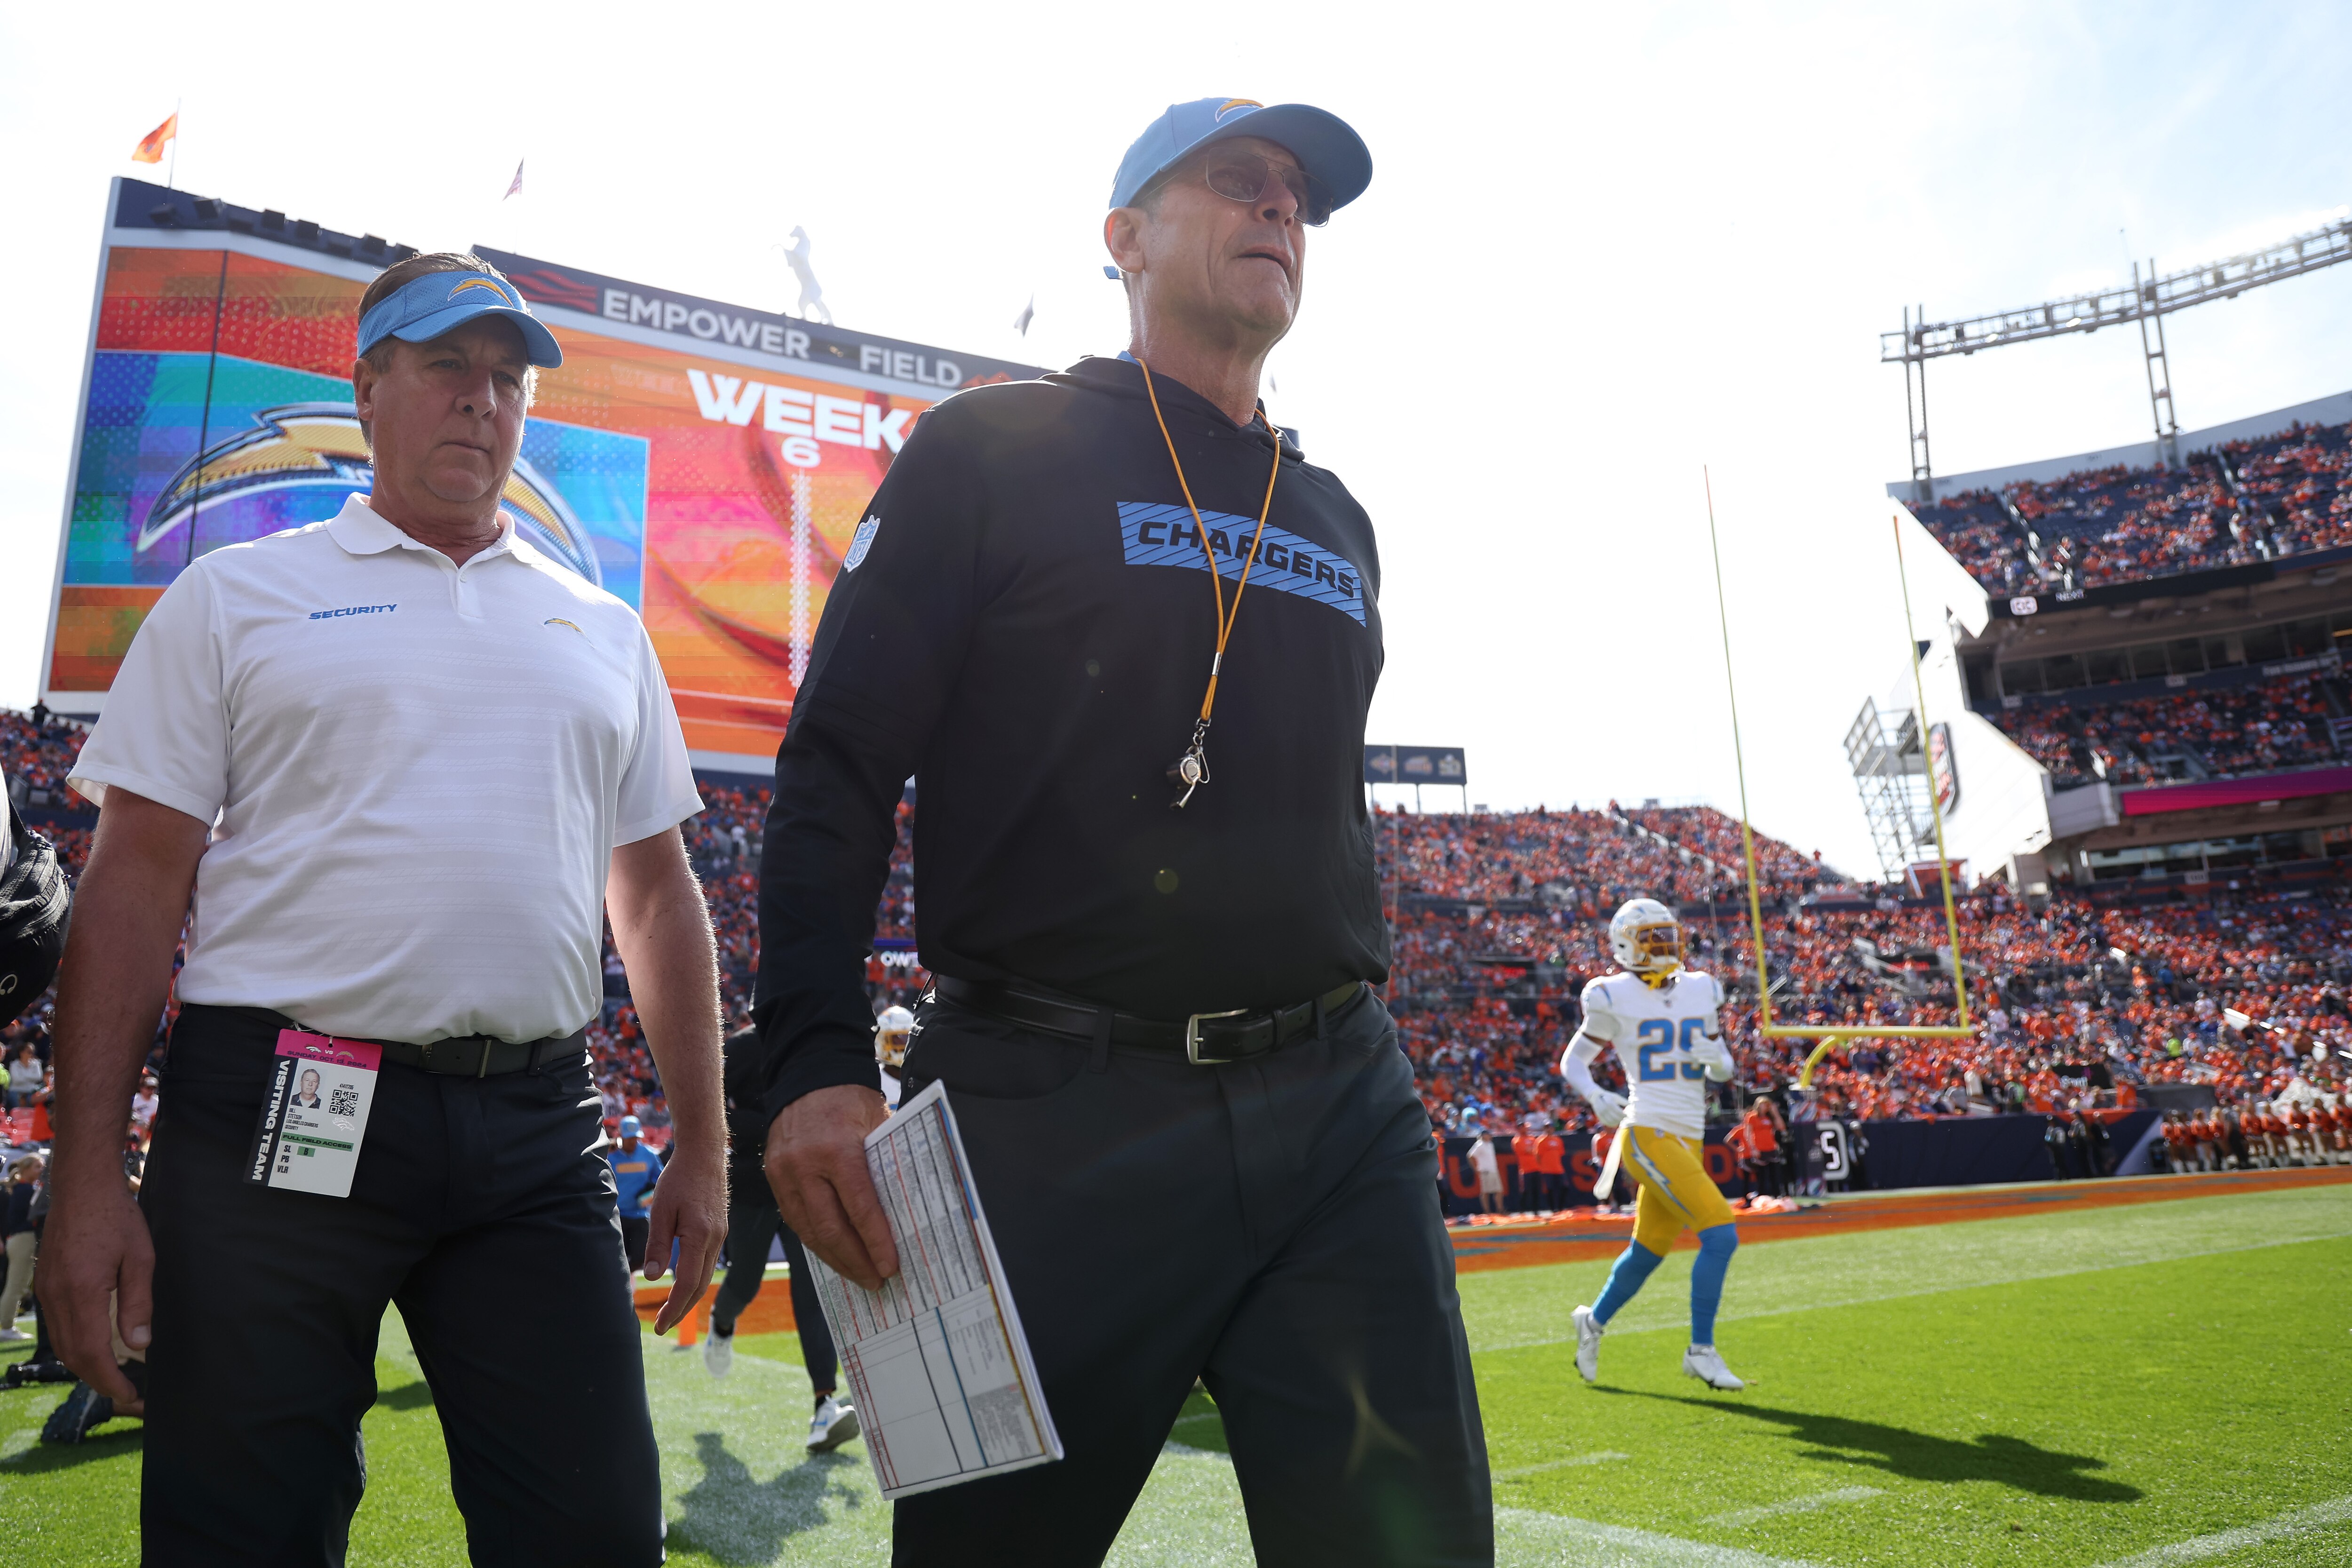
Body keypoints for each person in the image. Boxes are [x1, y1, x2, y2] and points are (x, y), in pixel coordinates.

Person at [755, 97, 1492, 1564]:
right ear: (1125, 237)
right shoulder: (990, 449)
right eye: (1238, 181)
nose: (1279, 210)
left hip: (1338, 1104)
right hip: (1052, 1106)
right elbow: (836, 763)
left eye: (1296, 197)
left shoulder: (1336, 515)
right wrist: (816, 1063)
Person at [44, 250, 724, 1565]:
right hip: (281, 1107)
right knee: (244, 1526)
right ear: (367, 391)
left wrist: (702, 1140)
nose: (483, 401)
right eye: (447, 369)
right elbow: (133, 883)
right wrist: (87, 1176)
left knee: (590, 1528)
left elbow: (655, 891)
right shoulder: (237, 596)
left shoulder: (601, 623)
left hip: (535, 1124)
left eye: (508, 381)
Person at [1559, 899, 1745, 1392]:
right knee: (1721, 1233)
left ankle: (1592, 1323)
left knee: (1649, 1250)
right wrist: (1595, 1094)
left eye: (1668, 935)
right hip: (1647, 1130)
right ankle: (1700, 1351)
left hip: (1688, 1133)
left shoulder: (1700, 988)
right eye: (1652, 938)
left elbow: (1722, 1069)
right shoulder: (1609, 994)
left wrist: (1717, 1059)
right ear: (1625, 944)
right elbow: (1574, 1061)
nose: (1665, 946)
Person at [703, 1026, 858, 1455]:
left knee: (814, 1293)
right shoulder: (742, 1048)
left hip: (805, 1185)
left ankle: (824, 1403)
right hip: (755, 1188)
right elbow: (703, 1102)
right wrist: (768, 1127)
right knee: (747, 1281)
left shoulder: (813, 1043)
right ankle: (722, 1321)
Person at [608, 1115, 664, 1276]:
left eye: (635, 1137)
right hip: (616, 1215)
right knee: (617, 1257)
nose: (633, 1141)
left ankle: (623, 1278)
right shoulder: (611, 1157)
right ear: (621, 1137)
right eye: (629, 1138)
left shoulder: (649, 1155)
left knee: (640, 1257)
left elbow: (660, 1180)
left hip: (640, 1215)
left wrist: (650, 1195)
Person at [0, 1154, 39, 1340]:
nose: (41, 1171)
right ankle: (5, 1327)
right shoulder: (25, 1190)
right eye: (37, 1167)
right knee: (15, 1286)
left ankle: (7, 1326)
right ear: (26, 1169)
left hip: (20, 1239)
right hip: (23, 1239)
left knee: (19, 1285)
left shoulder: (24, 1188)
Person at [874, 1004, 912, 1111]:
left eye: (907, 1038)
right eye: (897, 1039)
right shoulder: (873, 1082)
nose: (903, 1044)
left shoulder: (922, 1079)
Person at [1468, 1127, 1503, 1214]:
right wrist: (1476, 1169)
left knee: (1499, 1191)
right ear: (1484, 1136)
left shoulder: (1490, 1144)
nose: (1490, 1136)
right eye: (1488, 1134)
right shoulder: (1480, 1145)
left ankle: (1500, 1210)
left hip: (1493, 1170)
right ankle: (1487, 1211)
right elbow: (1470, 1156)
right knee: (1486, 1192)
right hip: (1486, 1171)